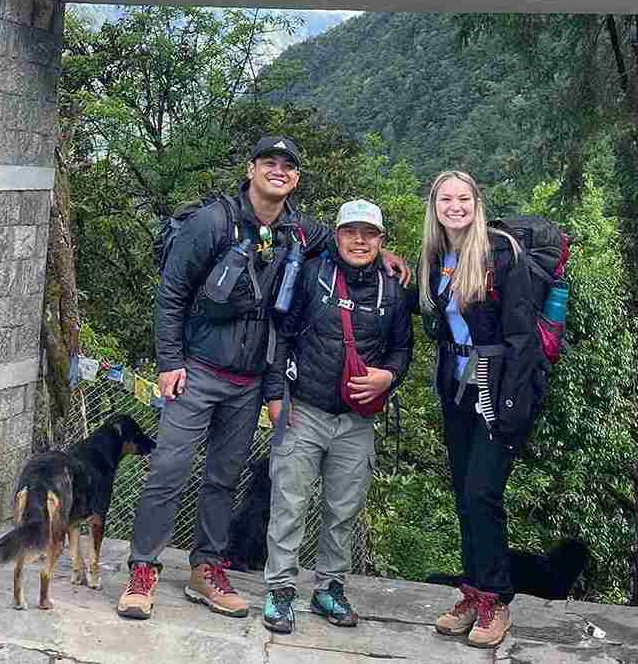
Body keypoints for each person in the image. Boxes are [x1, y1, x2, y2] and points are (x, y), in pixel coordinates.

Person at [116, 137, 412, 621]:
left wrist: (387, 256)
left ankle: (206, 569)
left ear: (296, 178)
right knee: (169, 469)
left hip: (250, 379)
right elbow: (172, 293)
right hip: (198, 369)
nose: (278, 171)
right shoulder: (213, 222)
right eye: (269, 162)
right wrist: (170, 361)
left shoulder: (298, 229)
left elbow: (350, 243)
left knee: (223, 477)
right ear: (251, 169)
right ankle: (143, 569)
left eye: (287, 166)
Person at [260, 198, 413, 635]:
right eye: (351, 232)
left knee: (344, 509)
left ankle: (329, 586)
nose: (359, 241)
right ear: (337, 235)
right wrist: (275, 394)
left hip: (356, 420)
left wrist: (389, 377)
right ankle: (280, 589)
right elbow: (282, 334)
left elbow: (402, 348)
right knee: (288, 503)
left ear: (381, 240)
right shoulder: (312, 274)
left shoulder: (393, 289)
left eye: (369, 234)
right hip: (301, 408)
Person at [418, 171, 549, 650]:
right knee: (463, 494)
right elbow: (432, 312)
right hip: (458, 391)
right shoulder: (436, 258)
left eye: (463, 199)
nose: (455, 207)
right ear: (434, 207)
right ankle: (473, 593)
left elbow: (521, 336)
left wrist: (512, 405)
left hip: (499, 390)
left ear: (477, 203)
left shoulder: (500, 254)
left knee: (482, 494)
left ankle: (496, 599)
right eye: (445, 200)